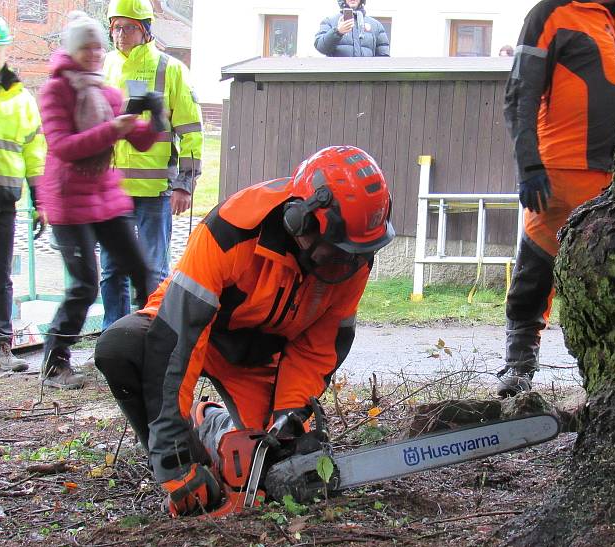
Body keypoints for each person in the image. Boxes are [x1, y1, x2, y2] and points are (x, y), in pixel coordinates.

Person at [94, 145, 394, 517]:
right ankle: (189, 447)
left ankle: (211, 424)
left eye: (355, 254)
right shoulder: (231, 229)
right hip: (184, 329)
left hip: (255, 354)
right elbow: (177, 341)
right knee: (120, 349)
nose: (346, 264)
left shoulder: (353, 260)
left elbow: (317, 350)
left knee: (276, 466)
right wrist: (175, 462)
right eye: (336, 252)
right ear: (300, 223)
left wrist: (287, 417)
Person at [498, 0, 615, 396]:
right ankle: (518, 366)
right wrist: (529, 165)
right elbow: (519, 94)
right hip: (558, 174)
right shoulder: (551, 13)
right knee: (535, 273)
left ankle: (614, 378)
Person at [37, 11, 160, 389]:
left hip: (106, 196)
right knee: (85, 285)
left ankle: (148, 348)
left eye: (97, 46)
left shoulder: (108, 93)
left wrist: (154, 118)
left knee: (142, 272)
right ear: (73, 52)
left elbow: (139, 139)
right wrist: (113, 129)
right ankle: (55, 364)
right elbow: (63, 147)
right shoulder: (55, 92)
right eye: (85, 47)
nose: (93, 53)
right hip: (67, 201)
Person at [100, 0, 203, 329]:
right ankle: (112, 336)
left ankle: (149, 335)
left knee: (153, 270)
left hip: (156, 190)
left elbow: (190, 131)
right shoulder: (105, 67)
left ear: (145, 30)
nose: (120, 35)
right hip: (112, 191)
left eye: (128, 27)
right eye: (115, 27)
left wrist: (185, 184)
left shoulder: (169, 69)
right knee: (112, 270)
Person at [0, 14, 46, 372]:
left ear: (4, 52)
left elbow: (34, 155)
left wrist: (40, 203)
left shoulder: (20, 100)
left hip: (1, 203)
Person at [315, 0, 390, 57]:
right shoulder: (329, 21)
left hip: (365, 76)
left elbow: (383, 58)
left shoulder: (375, 25)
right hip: (338, 76)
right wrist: (338, 32)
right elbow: (321, 47)